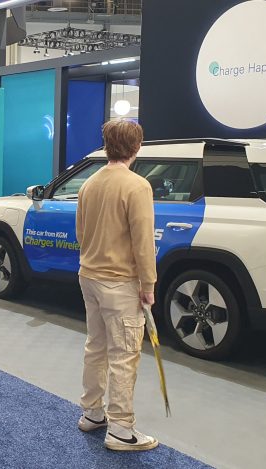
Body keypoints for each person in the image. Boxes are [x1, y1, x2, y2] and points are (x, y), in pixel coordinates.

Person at [75, 120, 158, 451]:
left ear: (107, 144)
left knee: (96, 347)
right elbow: (143, 241)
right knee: (124, 354)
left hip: (89, 276)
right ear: (137, 147)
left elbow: (81, 234)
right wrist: (148, 285)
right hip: (120, 283)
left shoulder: (89, 184)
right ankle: (121, 429)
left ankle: (92, 413)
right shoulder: (137, 186)